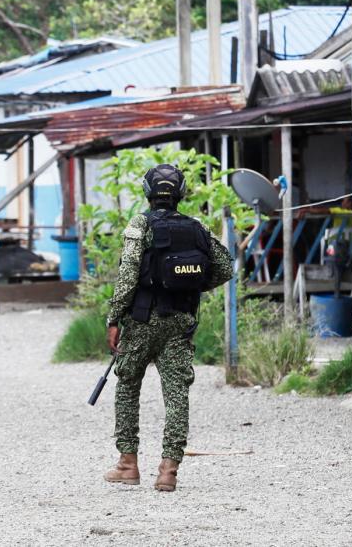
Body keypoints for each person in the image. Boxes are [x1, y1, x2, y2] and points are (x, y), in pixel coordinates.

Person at [104, 164, 233, 492]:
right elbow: (224, 267)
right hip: (180, 321)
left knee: (128, 386)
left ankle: (127, 464)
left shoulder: (140, 224)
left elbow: (128, 275)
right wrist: (190, 287)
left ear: (147, 193)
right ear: (181, 194)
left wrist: (114, 318)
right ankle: (168, 471)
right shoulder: (196, 226)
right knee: (176, 393)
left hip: (142, 320)